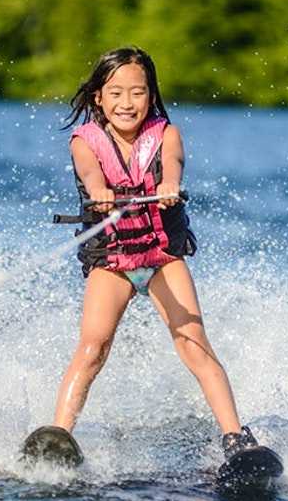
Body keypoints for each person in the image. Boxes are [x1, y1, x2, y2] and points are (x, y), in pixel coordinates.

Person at [47, 46, 258, 460]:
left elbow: (173, 163)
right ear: (98, 98)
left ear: (151, 94)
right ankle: (58, 435)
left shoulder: (167, 134)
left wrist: (169, 185)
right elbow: (91, 175)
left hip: (161, 257)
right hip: (113, 259)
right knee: (93, 348)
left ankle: (236, 438)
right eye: (117, 93)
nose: (128, 103)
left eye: (138, 93)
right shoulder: (83, 142)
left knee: (193, 341)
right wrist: (99, 193)